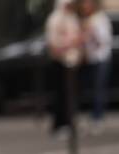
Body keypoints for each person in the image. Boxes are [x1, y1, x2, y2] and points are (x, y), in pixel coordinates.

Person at [45, 0, 82, 140]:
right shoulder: (55, 19)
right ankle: (59, 124)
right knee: (61, 95)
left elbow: (77, 36)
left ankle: (70, 122)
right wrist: (67, 45)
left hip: (71, 61)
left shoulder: (72, 18)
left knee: (71, 95)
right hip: (60, 62)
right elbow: (52, 44)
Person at [78, 0, 112, 136]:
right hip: (89, 60)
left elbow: (103, 41)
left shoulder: (100, 19)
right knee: (87, 90)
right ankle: (88, 117)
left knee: (99, 90)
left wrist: (90, 32)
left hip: (100, 59)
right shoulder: (84, 20)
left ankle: (97, 119)